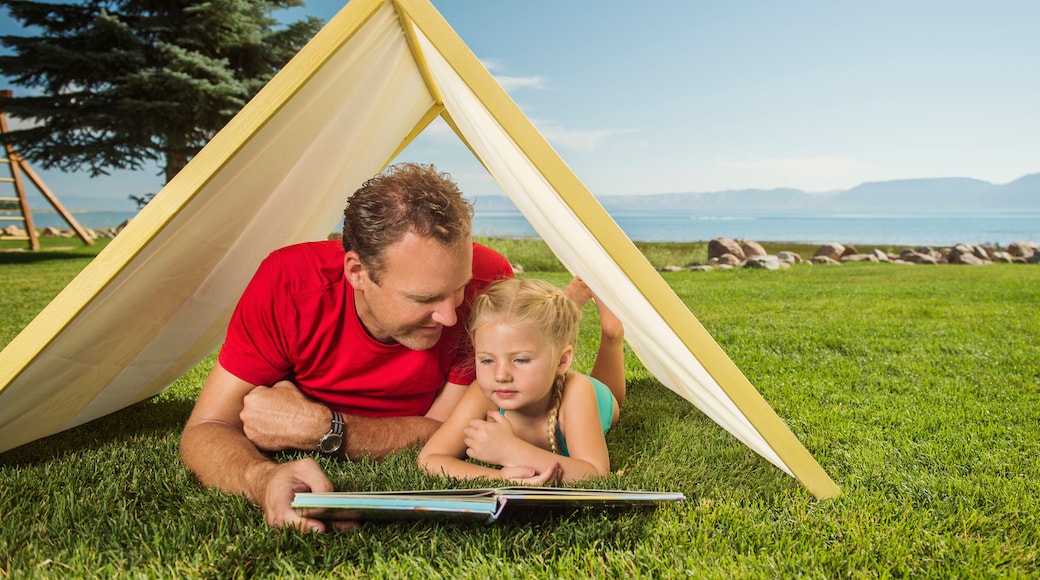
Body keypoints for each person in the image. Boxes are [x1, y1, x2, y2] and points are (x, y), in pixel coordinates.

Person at [179, 163, 514, 532]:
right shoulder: (289, 283)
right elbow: (208, 425)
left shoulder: (490, 284)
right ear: (357, 272)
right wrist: (260, 479)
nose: (451, 316)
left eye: (458, 287)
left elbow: (449, 429)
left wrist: (325, 429)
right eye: (425, 297)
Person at [418, 277, 625, 484]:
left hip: (597, 398)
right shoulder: (483, 394)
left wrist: (511, 451)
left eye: (520, 360)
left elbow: (594, 474)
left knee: (613, 396)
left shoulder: (578, 392)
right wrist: (500, 476)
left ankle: (611, 335)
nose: (501, 376)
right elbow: (429, 459)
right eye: (487, 360)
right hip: (549, 377)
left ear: (563, 360)